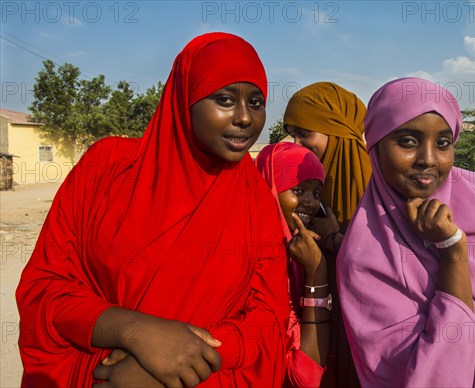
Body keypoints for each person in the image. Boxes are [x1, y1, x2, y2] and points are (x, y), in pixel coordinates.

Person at [16, 32, 290, 387]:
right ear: (183, 98)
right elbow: (45, 289)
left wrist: (173, 366)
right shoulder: (107, 168)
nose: (244, 118)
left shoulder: (255, 199)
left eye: (256, 103)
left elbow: (267, 322)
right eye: (224, 99)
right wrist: (136, 333)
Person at [337, 77, 475, 387]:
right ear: (375, 145)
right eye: (407, 142)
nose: (427, 159)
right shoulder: (365, 255)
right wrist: (453, 252)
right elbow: (431, 375)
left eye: (442, 143)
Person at [283, 82, 370, 387]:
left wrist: (335, 241)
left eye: (304, 133)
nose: (297, 143)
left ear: (337, 131)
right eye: (292, 134)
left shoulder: (382, 191)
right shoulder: (304, 189)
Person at [256, 142, 330, 388]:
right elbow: (304, 376)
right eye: (299, 191)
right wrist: (317, 272)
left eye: (316, 194)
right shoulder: (258, 258)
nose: (309, 202)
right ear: (270, 186)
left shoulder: (296, 251)